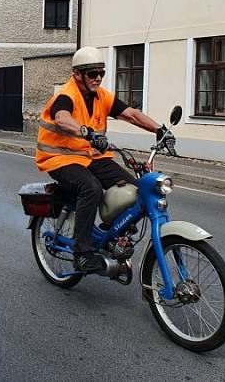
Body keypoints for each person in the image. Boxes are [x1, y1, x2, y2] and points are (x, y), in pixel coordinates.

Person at [35, 46, 176, 273]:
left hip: (91, 156)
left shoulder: (101, 96)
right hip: (60, 158)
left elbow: (130, 114)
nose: (98, 78)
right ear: (77, 74)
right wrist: (88, 133)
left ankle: (109, 234)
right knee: (90, 188)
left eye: (101, 72)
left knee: (137, 189)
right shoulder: (66, 95)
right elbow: (62, 118)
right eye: (92, 73)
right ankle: (82, 253)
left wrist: (160, 130)